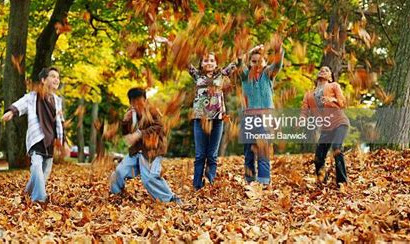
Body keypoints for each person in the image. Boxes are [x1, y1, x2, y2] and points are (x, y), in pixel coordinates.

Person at [2, 67, 64, 202]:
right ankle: (40, 198)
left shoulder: (57, 100)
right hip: (37, 138)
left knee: (44, 173)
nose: (56, 79)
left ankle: (27, 192)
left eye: (58, 77)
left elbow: (59, 123)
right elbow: (21, 104)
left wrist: (61, 142)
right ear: (43, 80)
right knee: (36, 166)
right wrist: (12, 112)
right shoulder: (33, 96)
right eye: (53, 76)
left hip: (51, 141)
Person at [109, 87, 180, 203]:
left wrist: (140, 134)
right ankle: (117, 196)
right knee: (119, 172)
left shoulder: (153, 111)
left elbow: (159, 127)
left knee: (149, 178)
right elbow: (126, 134)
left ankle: (170, 198)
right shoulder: (130, 114)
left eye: (139, 101)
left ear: (145, 100)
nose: (137, 105)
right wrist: (125, 122)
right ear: (130, 102)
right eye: (133, 102)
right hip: (136, 151)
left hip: (152, 151)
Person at [188, 52, 237, 190]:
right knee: (200, 155)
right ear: (201, 64)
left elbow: (237, 62)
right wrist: (171, 44)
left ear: (216, 63)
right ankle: (197, 186)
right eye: (205, 61)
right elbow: (184, 60)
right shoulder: (197, 76)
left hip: (217, 119)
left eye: (211, 60)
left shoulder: (221, 75)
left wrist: (253, 50)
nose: (208, 63)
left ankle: (210, 184)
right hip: (200, 118)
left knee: (212, 155)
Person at [240, 40, 284, 185]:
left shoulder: (267, 74)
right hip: (248, 119)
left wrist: (279, 51)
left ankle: (264, 181)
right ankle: (250, 181)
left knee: (263, 150)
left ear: (265, 63)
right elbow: (238, 60)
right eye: (253, 61)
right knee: (249, 152)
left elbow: (277, 64)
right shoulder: (245, 76)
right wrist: (251, 50)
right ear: (249, 63)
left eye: (260, 61)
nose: (257, 64)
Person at [301, 66, 349, 186]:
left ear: (330, 77)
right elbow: (304, 109)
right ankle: (323, 181)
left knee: (337, 148)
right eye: (321, 69)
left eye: (327, 70)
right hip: (326, 128)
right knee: (318, 157)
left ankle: (342, 182)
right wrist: (302, 119)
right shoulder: (309, 94)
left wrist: (331, 99)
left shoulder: (334, 86)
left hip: (339, 122)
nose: (323, 70)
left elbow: (342, 103)